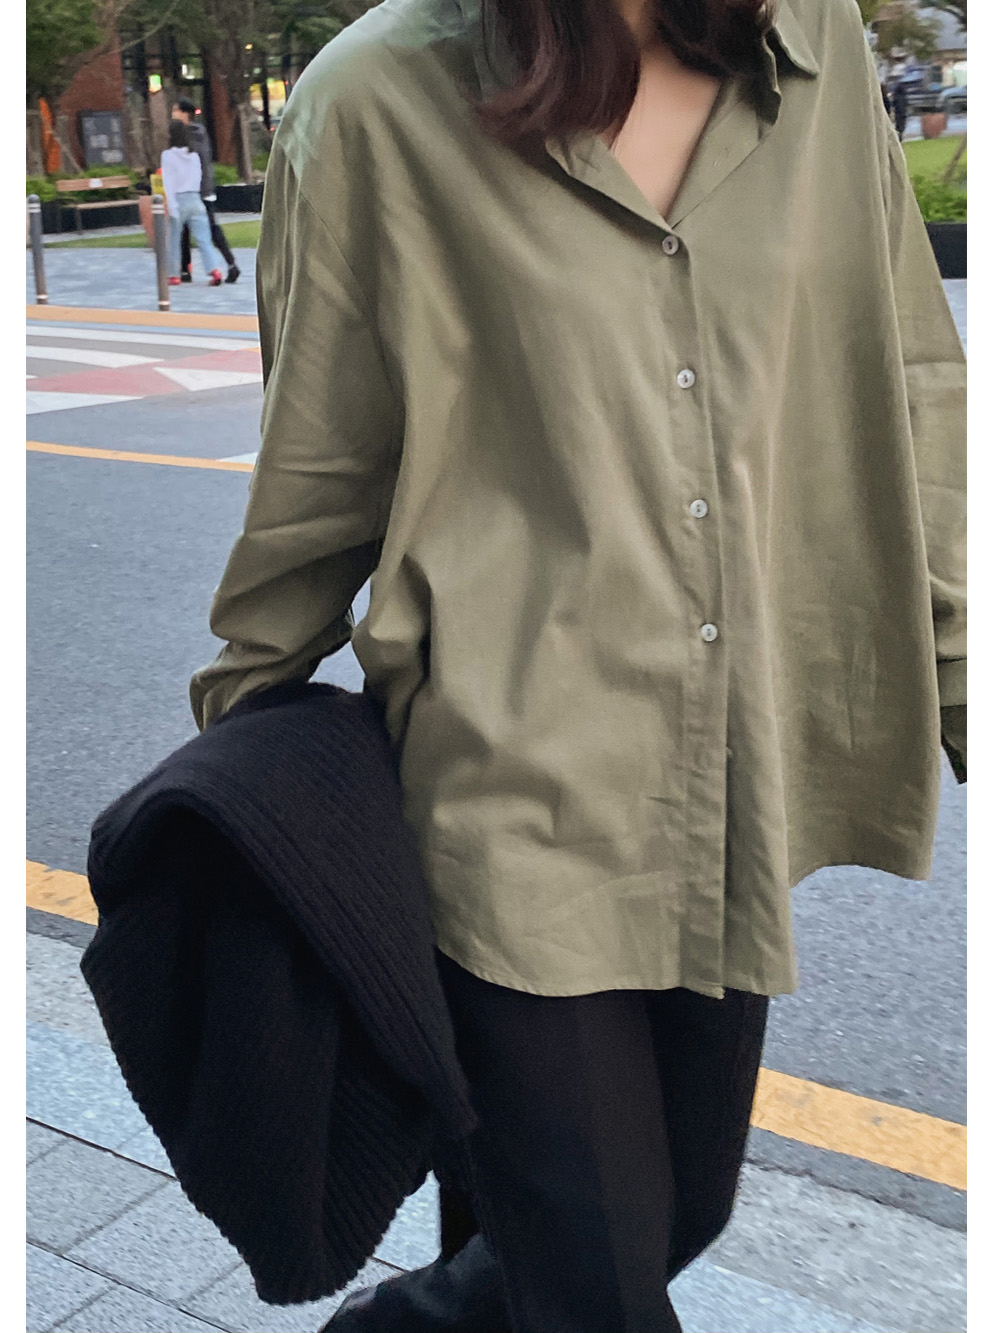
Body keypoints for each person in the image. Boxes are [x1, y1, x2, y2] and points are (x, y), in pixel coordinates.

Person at [189, 0, 966, 1330]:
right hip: (508, 792)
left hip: (725, 780)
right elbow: (321, 460)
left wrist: (961, 671)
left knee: (677, 1215)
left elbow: (909, 374)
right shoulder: (374, 99)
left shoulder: (813, 45)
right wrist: (239, 776)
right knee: (596, 1281)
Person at [170, 97, 240, 284]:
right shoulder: (189, 132)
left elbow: (194, 160)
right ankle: (185, 269)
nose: (172, 114)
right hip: (190, 189)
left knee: (211, 228)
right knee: (185, 229)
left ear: (185, 113)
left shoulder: (194, 133)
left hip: (199, 190)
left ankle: (231, 264)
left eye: (175, 110)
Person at [160, 119, 224, 286]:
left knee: (174, 239)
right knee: (204, 239)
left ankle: (174, 274)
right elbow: (198, 177)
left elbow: (168, 182)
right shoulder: (193, 155)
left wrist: (171, 204)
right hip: (195, 198)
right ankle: (214, 270)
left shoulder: (168, 155)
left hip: (178, 199)